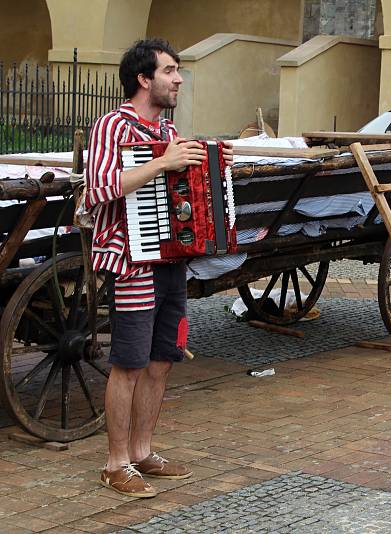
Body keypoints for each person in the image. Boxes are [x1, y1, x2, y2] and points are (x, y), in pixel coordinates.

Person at [86, 38, 233, 498]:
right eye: (170, 71)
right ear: (144, 79)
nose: (179, 79)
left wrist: (213, 166)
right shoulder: (113, 126)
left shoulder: (168, 133)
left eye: (178, 70)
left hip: (170, 259)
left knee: (161, 359)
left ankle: (143, 451)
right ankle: (115, 464)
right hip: (130, 260)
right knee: (128, 362)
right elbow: (98, 189)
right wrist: (162, 163)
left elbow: (188, 195)